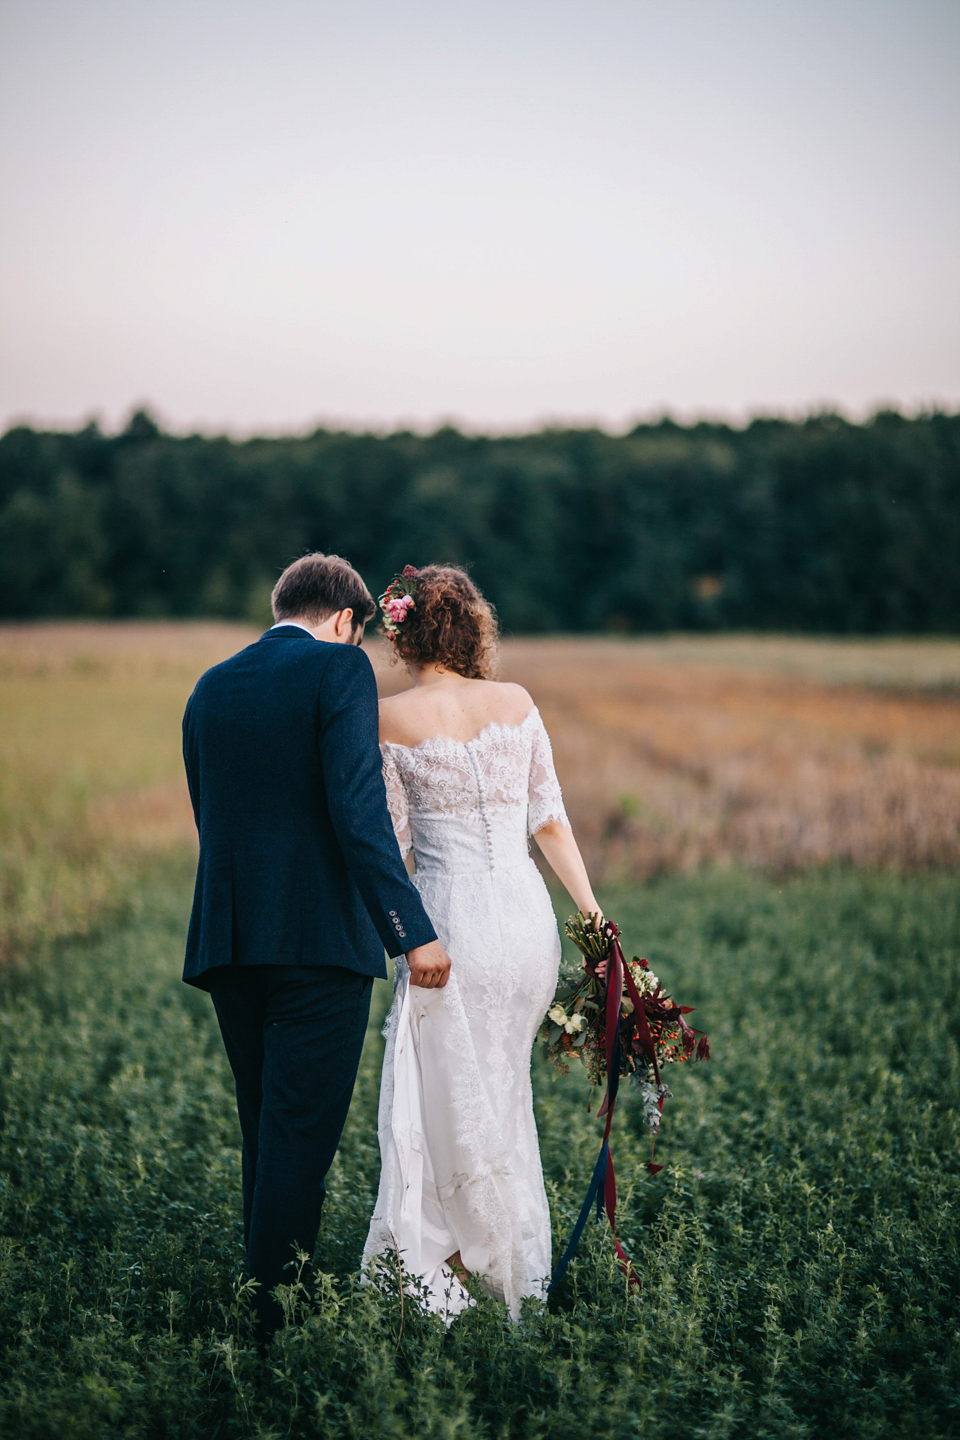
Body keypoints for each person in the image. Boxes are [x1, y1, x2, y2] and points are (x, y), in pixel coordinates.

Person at [181, 553, 452, 1340]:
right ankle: (274, 1328)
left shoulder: (210, 687)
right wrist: (412, 932)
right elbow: (358, 811)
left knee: (267, 1131)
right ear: (344, 622)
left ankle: (264, 1301)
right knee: (301, 1140)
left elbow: (214, 816)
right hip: (318, 946)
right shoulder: (338, 673)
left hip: (231, 943)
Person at [362, 564, 602, 1320]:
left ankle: (443, 1275)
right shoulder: (517, 701)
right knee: (500, 1090)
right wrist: (594, 919)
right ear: (474, 629)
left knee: (433, 1097)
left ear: (402, 634)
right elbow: (550, 821)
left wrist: (389, 935)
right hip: (526, 923)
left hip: (448, 924)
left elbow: (392, 848)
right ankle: (507, 1266)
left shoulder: (389, 717)